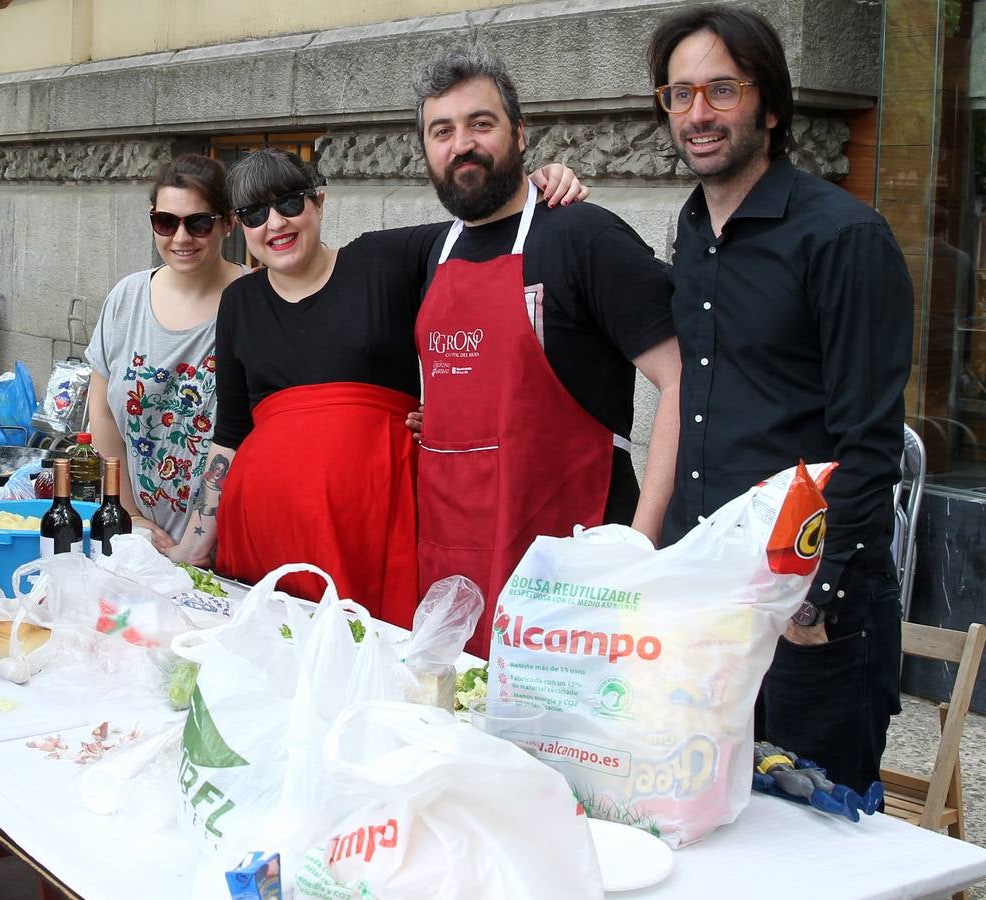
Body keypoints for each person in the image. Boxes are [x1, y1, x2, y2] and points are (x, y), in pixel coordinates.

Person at [648, 5, 911, 793]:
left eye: (720, 90)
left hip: (809, 614)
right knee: (714, 825)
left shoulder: (841, 237)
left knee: (814, 848)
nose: (697, 114)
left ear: (768, 105)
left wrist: (811, 603)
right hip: (712, 603)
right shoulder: (694, 230)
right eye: (679, 93)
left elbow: (869, 444)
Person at [171, 150, 585, 626]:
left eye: (288, 203)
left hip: (378, 521)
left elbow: (486, 231)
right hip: (262, 530)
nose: (274, 224)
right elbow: (230, 432)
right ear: (241, 227)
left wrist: (529, 188)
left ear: (319, 202)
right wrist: (195, 542)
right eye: (254, 214)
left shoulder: (384, 260)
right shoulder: (239, 301)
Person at [409, 46, 682, 656]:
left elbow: (683, 379)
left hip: (575, 569)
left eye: (482, 123)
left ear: (521, 133)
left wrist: (640, 545)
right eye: (442, 131)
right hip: (454, 562)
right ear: (425, 150)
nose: (462, 144)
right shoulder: (432, 253)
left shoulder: (584, 235)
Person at [86, 155, 245, 549]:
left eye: (199, 223)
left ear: (229, 222)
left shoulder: (255, 300)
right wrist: (127, 515)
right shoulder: (127, 297)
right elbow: (103, 412)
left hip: (229, 543)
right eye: (165, 221)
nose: (180, 238)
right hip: (140, 541)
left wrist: (198, 541)